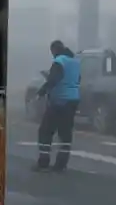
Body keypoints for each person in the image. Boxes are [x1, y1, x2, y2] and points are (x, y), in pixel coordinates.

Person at [34, 39, 81, 172]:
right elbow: (76, 79)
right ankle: (61, 164)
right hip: (73, 100)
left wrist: (41, 92)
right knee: (65, 132)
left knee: (45, 130)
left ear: (54, 50)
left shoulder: (59, 61)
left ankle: (43, 162)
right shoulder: (75, 61)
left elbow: (54, 79)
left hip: (60, 101)